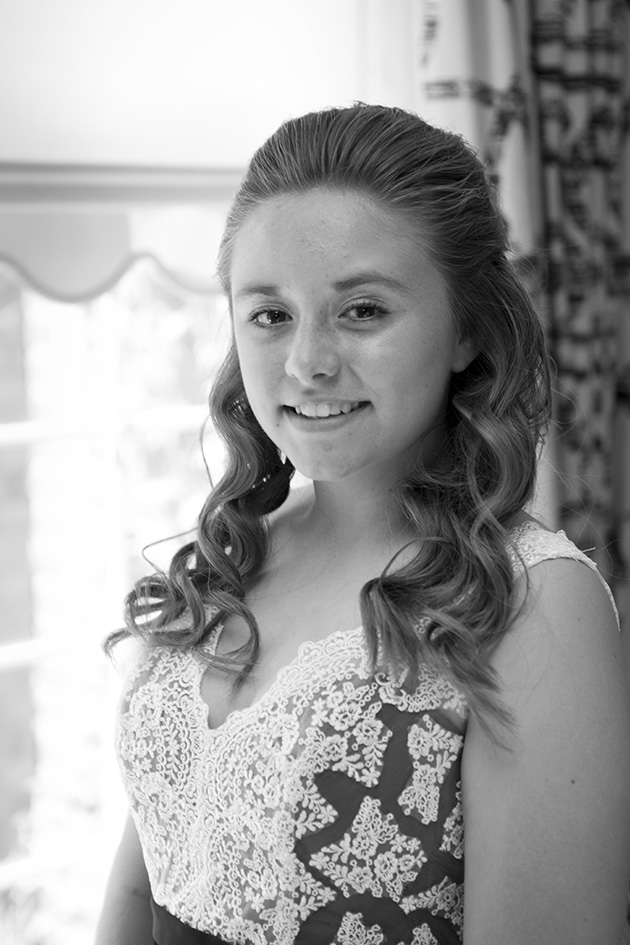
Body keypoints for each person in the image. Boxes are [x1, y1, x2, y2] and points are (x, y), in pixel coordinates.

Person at [95, 103, 630, 945]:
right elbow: (141, 894)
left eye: (363, 311)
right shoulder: (234, 555)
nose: (308, 362)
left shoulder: (530, 604)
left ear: (467, 330)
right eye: (270, 314)